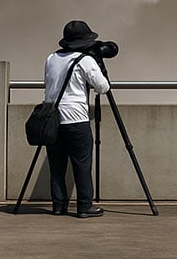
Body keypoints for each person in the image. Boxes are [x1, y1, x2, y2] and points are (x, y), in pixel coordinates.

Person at [44, 19, 111, 218]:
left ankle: (58, 205)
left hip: (52, 119)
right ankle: (84, 206)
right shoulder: (85, 60)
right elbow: (103, 87)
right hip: (76, 119)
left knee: (56, 166)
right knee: (82, 164)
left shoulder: (51, 58)